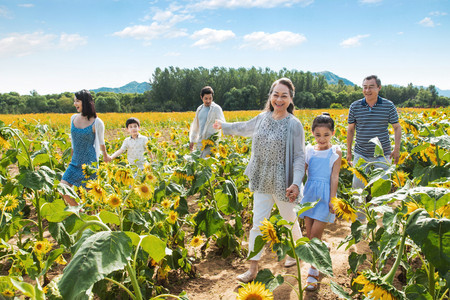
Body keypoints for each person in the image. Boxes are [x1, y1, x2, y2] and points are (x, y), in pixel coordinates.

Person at [213, 78, 305, 283]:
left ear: (291, 99)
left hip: (284, 181)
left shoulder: (294, 124)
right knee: (257, 224)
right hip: (262, 177)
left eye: (284, 96)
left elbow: (299, 157)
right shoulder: (262, 118)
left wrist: (296, 183)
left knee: (290, 222)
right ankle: (252, 269)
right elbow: (244, 128)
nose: (279, 99)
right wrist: (223, 126)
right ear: (270, 96)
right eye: (275, 94)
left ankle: (297, 254)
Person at [346, 75, 402, 220]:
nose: (367, 90)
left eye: (371, 87)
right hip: (361, 152)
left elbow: (397, 127)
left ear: (379, 88)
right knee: (357, 188)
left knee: (383, 187)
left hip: (383, 154)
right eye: (365, 87)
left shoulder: (388, 105)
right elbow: (351, 130)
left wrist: (397, 149)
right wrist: (349, 152)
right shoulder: (355, 106)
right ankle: (360, 220)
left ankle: (381, 220)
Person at [298, 112, 342, 291]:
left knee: (315, 237)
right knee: (310, 237)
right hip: (309, 195)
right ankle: (322, 251)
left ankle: (313, 273)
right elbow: (302, 171)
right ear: (312, 133)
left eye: (326, 135)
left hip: (325, 197)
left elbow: (334, 176)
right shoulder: (309, 150)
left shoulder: (335, 151)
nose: (322, 139)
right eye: (318, 135)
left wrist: (333, 199)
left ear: (333, 132)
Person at [61, 89, 111, 206]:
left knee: (91, 198)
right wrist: (71, 158)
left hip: (89, 164)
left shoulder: (97, 122)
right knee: (62, 188)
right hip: (75, 162)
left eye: (77, 101)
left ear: (85, 102)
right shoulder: (73, 118)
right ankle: (79, 210)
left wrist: (106, 157)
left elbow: (101, 143)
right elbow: (73, 141)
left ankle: (93, 219)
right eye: (74, 101)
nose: (75, 104)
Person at [189, 86, 225, 157]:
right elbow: (196, 126)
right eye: (206, 98)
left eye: (210, 98)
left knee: (210, 164)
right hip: (201, 142)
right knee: (200, 164)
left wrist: (230, 131)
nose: (208, 101)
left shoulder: (216, 109)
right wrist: (192, 140)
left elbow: (223, 123)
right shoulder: (199, 109)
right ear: (201, 97)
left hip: (211, 143)